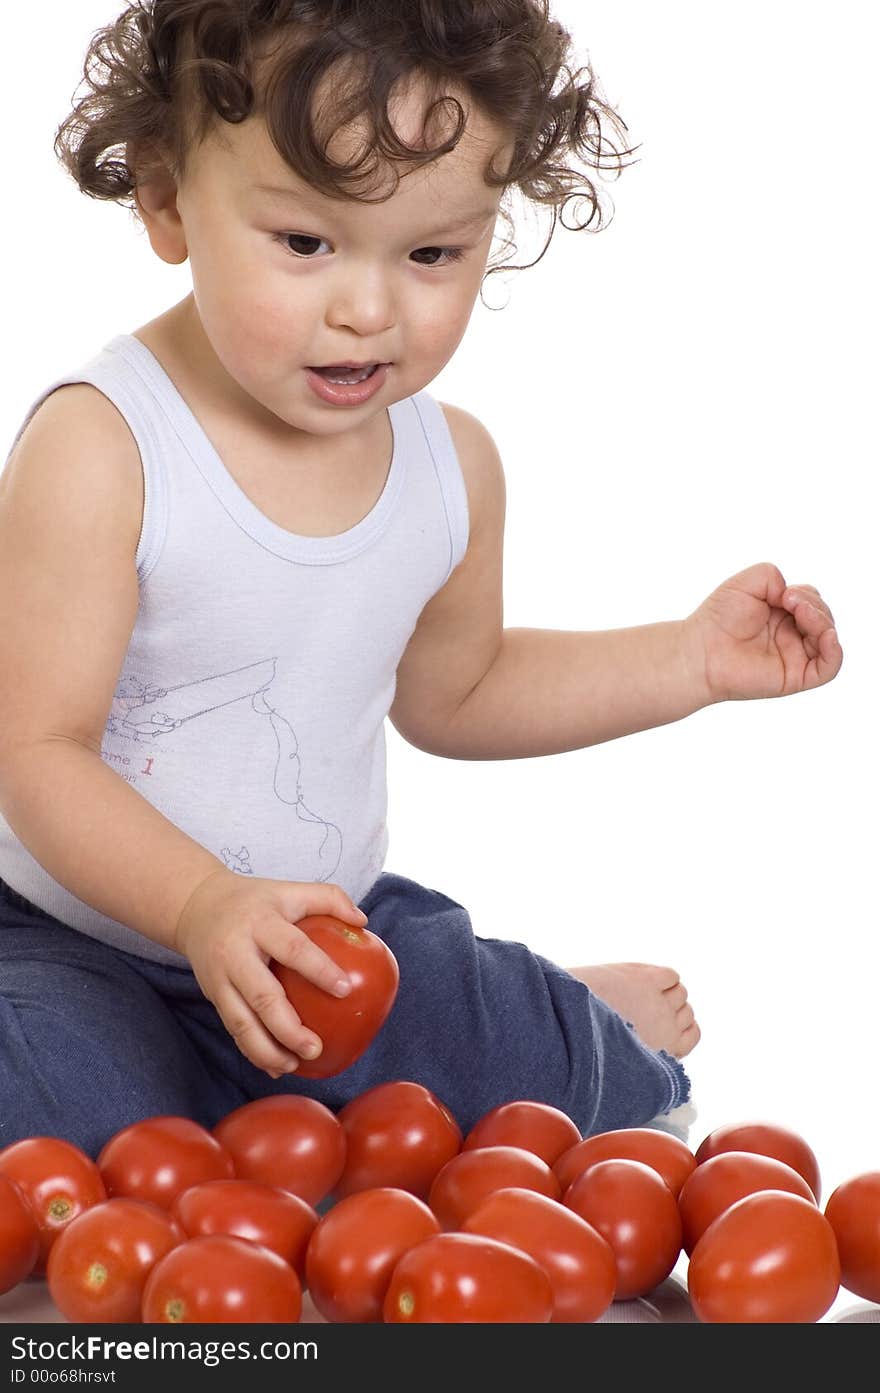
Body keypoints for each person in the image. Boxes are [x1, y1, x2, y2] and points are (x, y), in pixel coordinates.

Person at [0, 0, 841, 1154]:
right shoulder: (104, 448)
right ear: (164, 197)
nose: (369, 308)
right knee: (78, 1113)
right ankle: (221, 1102)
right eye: (305, 243)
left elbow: (462, 691)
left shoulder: (453, 468)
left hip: (324, 940)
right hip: (67, 935)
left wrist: (685, 658)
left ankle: (546, 1010)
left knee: (530, 1068)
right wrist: (201, 907)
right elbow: (35, 753)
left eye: (433, 252)